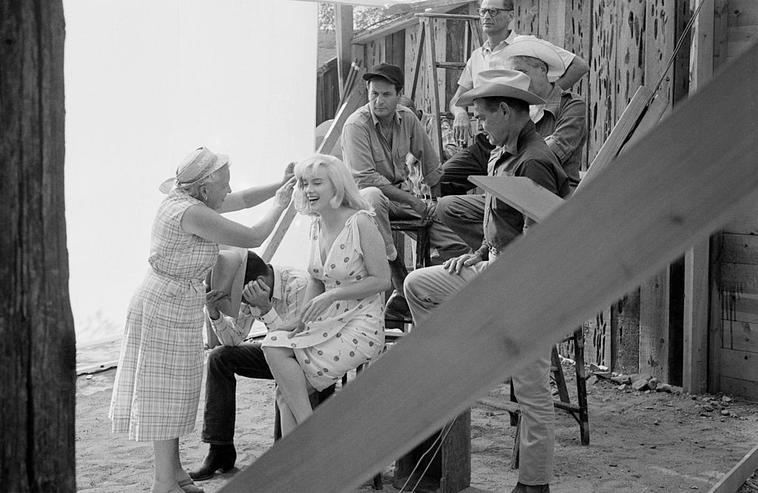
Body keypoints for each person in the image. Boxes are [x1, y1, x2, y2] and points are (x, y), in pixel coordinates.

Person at [404, 70, 569, 493]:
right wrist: (476, 254)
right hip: (495, 266)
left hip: (528, 285)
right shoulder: (501, 154)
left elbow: (542, 242)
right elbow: (498, 221)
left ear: (505, 111)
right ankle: (450, 359)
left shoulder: (534, 160)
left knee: (532, 390)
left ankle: (535, 484)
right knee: (420, 284)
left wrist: (501, 279)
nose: (480, 125)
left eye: (483, 117)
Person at [109, 147, 295, 493]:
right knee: (163, 395)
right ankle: (163, 483)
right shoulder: (190, 213)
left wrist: (278, 185)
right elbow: (253, 236)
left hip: (176, 300)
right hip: (164, 303)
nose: (227, 190)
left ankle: (175, 474)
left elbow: (238, 198)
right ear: (205, 188)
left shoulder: (194, 199)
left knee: (176, 392)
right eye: (222, 184)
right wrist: (281, 205)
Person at [262, 154, 391, 436]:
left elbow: (383, 280)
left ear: (337, 185)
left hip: (361, 323)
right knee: (273, 346)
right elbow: (317, 280)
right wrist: (300, 321)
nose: (308, 190)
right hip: (327, 321)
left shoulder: (361, 223)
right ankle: (303, 456)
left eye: (316, 183)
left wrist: (333, 296)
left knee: (286, 392)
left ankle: (306, 446)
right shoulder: (316, 224)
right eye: (303, 183)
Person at [341, 62, 469, 319]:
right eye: (373, 94)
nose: (378, 101)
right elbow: (366, 180)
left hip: (399, 194)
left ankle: (421, 294)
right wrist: (414, 200)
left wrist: (437, 204)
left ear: (399, 95)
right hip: (362, 202)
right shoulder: (356, 125)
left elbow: (431, 163)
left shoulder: (407, 118)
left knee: (457, 241)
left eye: (386, 94)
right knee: (373, 197)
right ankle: (397, 272)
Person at [437, 37, 586, 251]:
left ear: (543, 71)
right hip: (509, 188)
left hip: (551, 194)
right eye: (514, 74)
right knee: (447, 203)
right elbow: (500, 150)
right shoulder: (520, 105)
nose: (518, 79)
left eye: (522, 72)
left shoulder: (571, 105)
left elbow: (554, 150)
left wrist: (509, 160)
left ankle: (505, 254)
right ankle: (493, 248)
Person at [188, 249, 314, 481]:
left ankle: (284, 454)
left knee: (285, 370)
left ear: (258, 283)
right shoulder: (249, 291)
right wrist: (214, 313)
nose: (242, 303)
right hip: (277, 353)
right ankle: (220, 450)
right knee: (219, 358)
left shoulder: (299, 284)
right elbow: (234, 339)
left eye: (242, 298)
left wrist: (265, 309)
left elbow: (296, 343)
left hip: (308, 356)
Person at [441, 0, 589, 196]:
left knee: (517, 181)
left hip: (521, 144)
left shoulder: (527, 45)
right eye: (483, 11)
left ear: (510, 16)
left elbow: (579, 65)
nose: (486, 16)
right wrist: (460, 113)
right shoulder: (476, 56)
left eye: (493, 11)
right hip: (491, 140)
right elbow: (457, 100)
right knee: (442, 180)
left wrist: (542, 96)